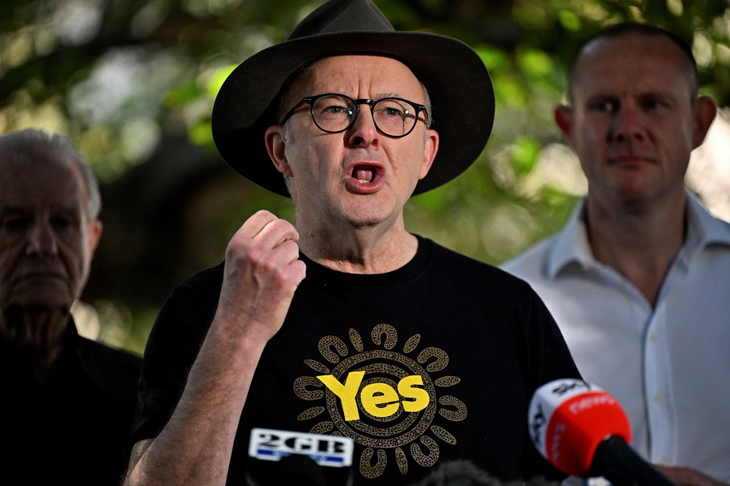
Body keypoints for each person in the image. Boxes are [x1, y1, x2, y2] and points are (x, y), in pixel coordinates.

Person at [123, 1, 581, 485]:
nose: (366, 133)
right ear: (281, 151)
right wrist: (238, 334)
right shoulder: (208, 309)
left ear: (426, 153)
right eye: (334, 109)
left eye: (394, 112)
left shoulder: (508, 311)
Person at [502, 23, 730, 486]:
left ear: (699, 122)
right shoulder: (508, 305)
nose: (628, 128)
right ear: (568, 126)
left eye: (653, 104)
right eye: (604, 106)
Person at [0, 129, 143, 485]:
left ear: (91, 241)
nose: (43, 246)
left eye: (63, 223)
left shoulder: (140, 393)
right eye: (15, 223)